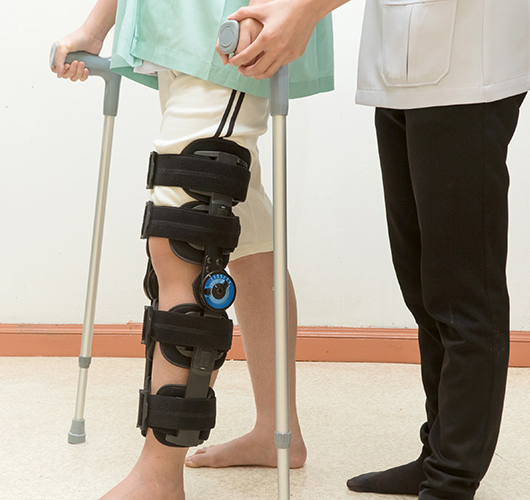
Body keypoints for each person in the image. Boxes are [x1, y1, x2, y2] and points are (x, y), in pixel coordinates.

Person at [224, 0, 530, 499]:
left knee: (462, 293)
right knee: (423, 288)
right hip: (402, 64)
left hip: (471, 63)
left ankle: (451, 481)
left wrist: (307, 11)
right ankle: (436, 456)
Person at [52, 1, 335, 498]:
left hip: (235, 28)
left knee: (188, 231)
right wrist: (97, 26)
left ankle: (158, 477)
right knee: (245, 240)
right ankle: (276, 430)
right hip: (176, 29)